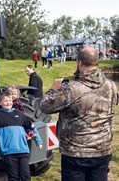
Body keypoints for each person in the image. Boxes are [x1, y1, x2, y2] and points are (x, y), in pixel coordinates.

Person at [40, 46, 118, 181]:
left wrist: (53, 90)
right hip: (102, 149)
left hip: (76, 153)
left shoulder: (71, 89)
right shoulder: (111, 85)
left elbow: (45, 106)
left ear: (80, 63)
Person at [0, 90, 43, 181]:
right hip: (8, 152)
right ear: (0, 103)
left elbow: (32, 127)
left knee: (26, 176)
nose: (8, 103)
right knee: (13, 177)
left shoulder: (19, 114)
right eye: (5, 101)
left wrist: (38, 141)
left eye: (10, 100)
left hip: (23, 150)